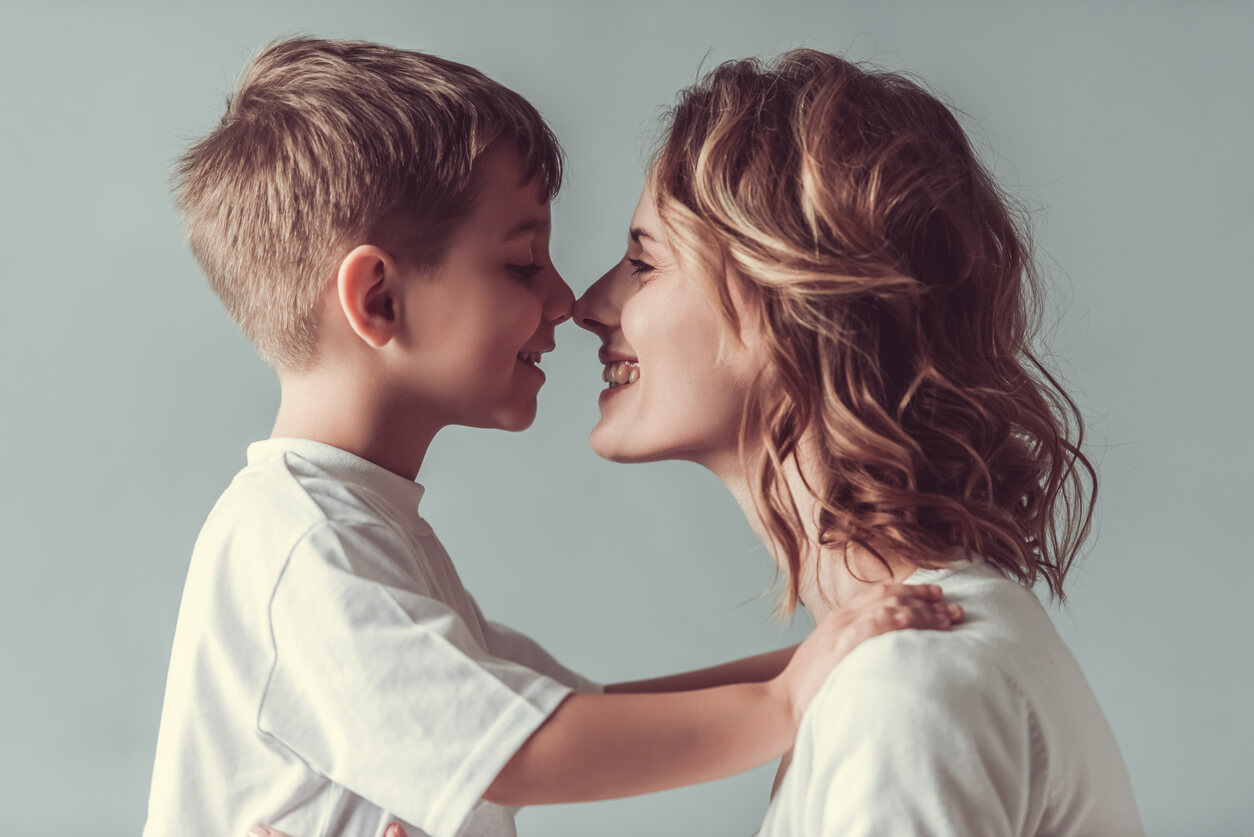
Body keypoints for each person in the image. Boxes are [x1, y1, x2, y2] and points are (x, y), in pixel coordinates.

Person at [311, 48, 1146, 836]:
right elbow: (555, 709)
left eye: (643, 263)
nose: (589, 304)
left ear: (790, 300)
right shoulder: (890, 661)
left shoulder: (908, 683)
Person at [144, 38, 961, 837]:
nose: (568, 299)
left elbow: (585, 713)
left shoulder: (354, 533)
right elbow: (520, 751)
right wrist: (784, 704)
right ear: (379, 301)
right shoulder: (301, 547)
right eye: (524, 263)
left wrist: (823, 653)